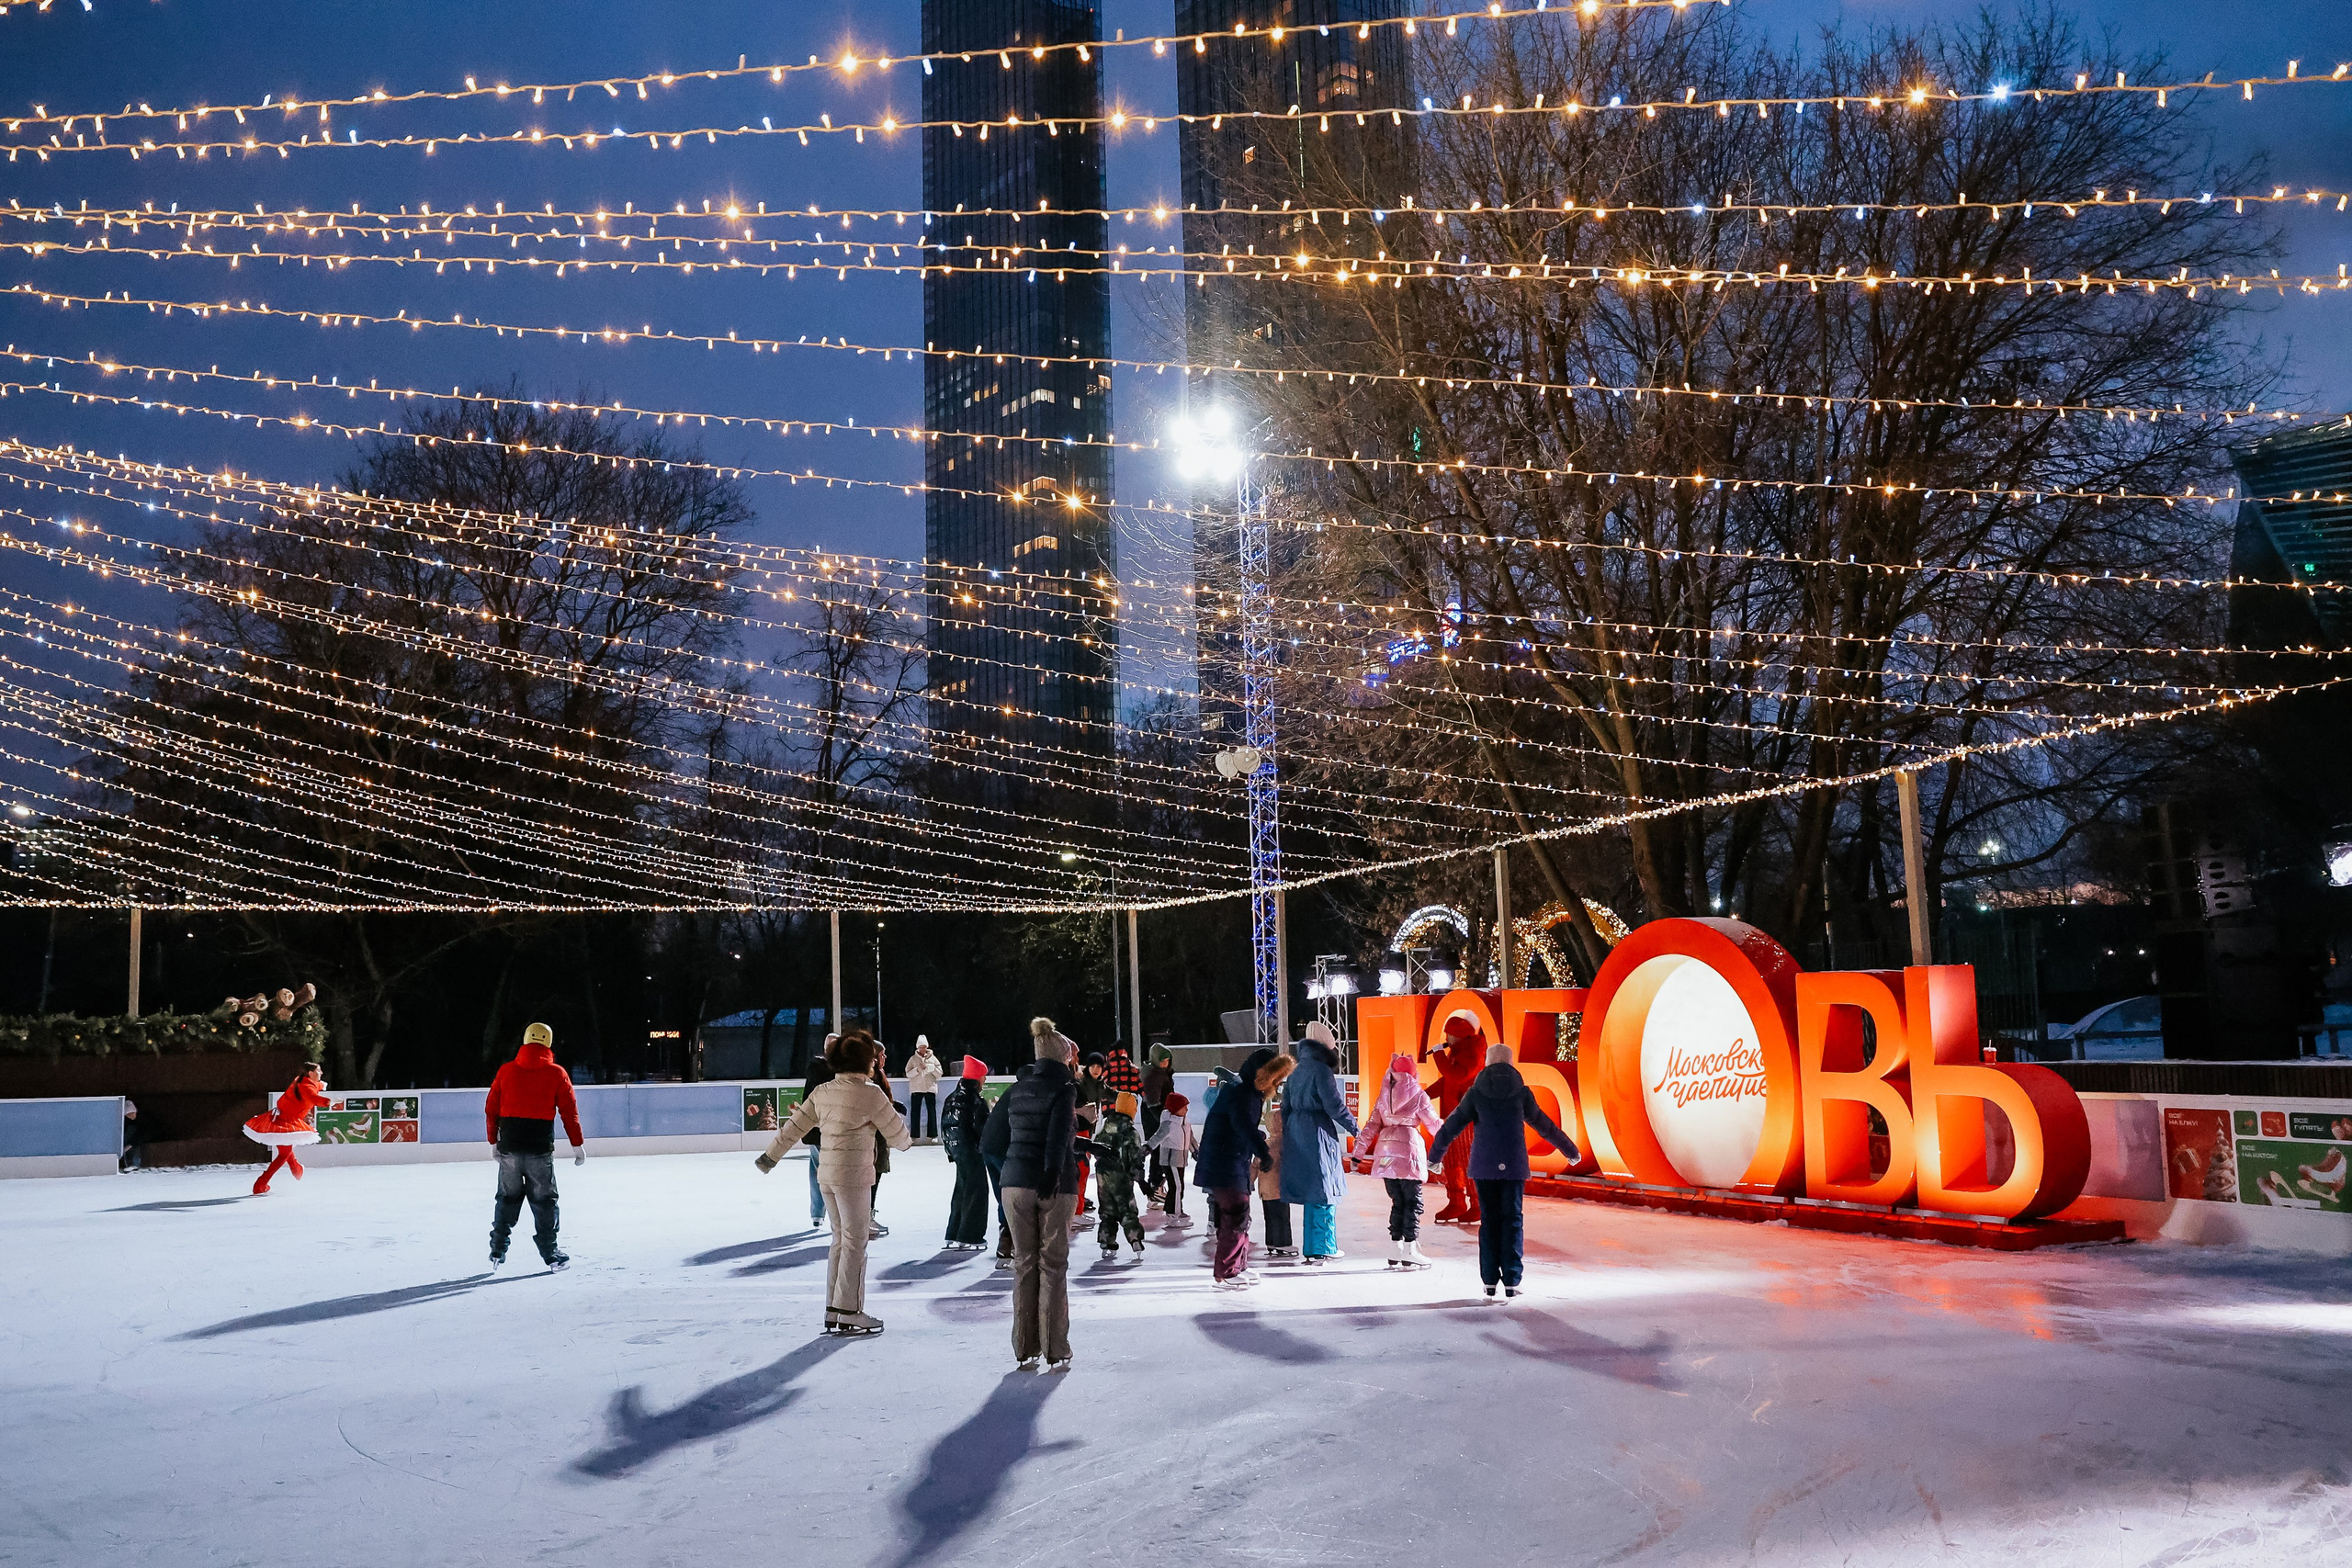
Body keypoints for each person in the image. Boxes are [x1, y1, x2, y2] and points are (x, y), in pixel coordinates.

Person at [756, 1033, 910, 1336]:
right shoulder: (871, 1093)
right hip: (853, 1177)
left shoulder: (824, 1091)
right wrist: (904, 1138)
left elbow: (793, 1127)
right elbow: (900, 1138)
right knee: (855, 1242)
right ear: (867, 1061)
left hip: (827, 1176)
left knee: (840, 1241)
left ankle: (834, 1308)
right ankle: (850, 1311)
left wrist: (769, 1158)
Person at [1427, 1043, 1580, 1300]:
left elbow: (1451, 1126)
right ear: (1510, 1063)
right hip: (1513, 1167)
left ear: (1487, 1063)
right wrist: (1570, 1150)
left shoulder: (1476, 1093)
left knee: (1489, 1222)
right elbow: (1545, 1126)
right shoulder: (1521, 1093)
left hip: (1483, 1168)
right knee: (1511, 1221)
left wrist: (1434, 1157)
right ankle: (1511, 1279)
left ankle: (1489, 1282)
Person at [981, 1021, 1082, 1371]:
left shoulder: (1019, 1088)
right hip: (1053, 1186)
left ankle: (1024, 1346)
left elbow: (1001, 1137)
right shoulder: (1065, 1087)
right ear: (1064, 1058)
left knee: (1024, 1263)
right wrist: (1053, 1171)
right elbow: (1056, 1134)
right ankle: (1056, 1347)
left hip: (1014, 1184)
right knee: (1052, 1265)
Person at [481, 1021, 585, 1269]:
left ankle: (497, 1251)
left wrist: (493, 1142)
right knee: (544, 1201)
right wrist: (577, 1145)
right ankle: (550, 1254)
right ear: (548, 1043)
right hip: (539, 1150)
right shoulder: (557, 1073)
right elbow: (569, 1112)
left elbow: (491, 1109)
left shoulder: (506, 1071)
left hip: (509, 1148)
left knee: (507, 1199)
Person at [1193, 1049, 1294, 1289]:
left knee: (1240, 1215)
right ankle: (1226, 1272)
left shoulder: (1244, 1091)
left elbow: (1237, 1125)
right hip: (1225, 1163)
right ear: (1264, 1074)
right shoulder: (1244, 1094)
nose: (1278, 1083)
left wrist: (1257, 1145)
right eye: (1276, 1077)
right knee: (1236, 1214)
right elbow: (1241, 1125)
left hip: (1229, 1161)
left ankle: (1237, 1266)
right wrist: (1262, 1151)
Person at [1281, 1021, 1358, 1264]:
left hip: (1296, 1130)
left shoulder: (1295, 1069)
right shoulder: (1322, 1070)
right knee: (1324, 1188)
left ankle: (1313, 1245)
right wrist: (1356, 1129)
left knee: (1310, 1190)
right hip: (1317, 1131)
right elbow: (1334, 1106)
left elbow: (1285, 1106)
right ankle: (1323, 1245)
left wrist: (1289, 1131)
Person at [1355, 1051, 1442, 1269]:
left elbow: (1370, 1126)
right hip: (1409, 1154)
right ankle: (1411, 1248)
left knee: (1398, 1202)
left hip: (1385, 1155)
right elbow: (1433, 1125)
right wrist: (1448, 1139)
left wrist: (1357, 1153)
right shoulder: (1419, 1095)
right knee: (1413, 1203)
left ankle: (1396, 1248)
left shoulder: (1384, 1095)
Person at [1422, 1015, 1487, 1224]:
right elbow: (1447, 1081)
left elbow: (1457, 1076)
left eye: (1450, 1034)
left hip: (1468, 1118)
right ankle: (1456, 1201)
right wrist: (1423, 1094)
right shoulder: (1457, 1053)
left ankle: (1477, 1204)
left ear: (1459, 1035)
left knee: (1468, 1160)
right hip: (1452, 1115)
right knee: (1451, 1160)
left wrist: (1439, 1055)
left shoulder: (1474, 1053)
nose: (1447, 1038)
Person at [243, 1061, 330, 1196]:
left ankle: (295, 1168)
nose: (322, 1073)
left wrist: (320, 1085)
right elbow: (314, 1097)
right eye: (319, 1071)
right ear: (311, 1073)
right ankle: (261, 1183)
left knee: (286, 1149)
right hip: (284, 1121)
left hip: (281, 1118)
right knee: (284, 1153)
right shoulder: (305, 1086)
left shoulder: (302, 1080)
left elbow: (313, 1087)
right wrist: (329, 1101)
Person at [1084, 1091, 1148, 1262]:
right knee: (1127, 1209)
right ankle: (1135, 1239)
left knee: (1107, 1209)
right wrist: (1140, 1178)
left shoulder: (1105, 1128)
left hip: (1102, 1176)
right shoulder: (1131, 1132)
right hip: (1121, 1177)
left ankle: (1106, 1241)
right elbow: (1135, 1157)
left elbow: (1095, 1147)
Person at [942, 1055, 993, 1248]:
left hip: (957, 1150)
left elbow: (945, 1126)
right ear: (977, 1077)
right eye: (984, 1076)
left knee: (962, 1191)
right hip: (972, 1150)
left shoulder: (951, 1098)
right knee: (977, 1191)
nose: (985, 1080)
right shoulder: (975, 1100)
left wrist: (950, 1150)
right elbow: (982, 1128)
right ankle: (970, 1235)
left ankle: (953, 1232)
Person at [800, 1037, 839, 1229]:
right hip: (829, 1129)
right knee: (834, 1173)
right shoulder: (835, 1072)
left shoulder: (815, 1070)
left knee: (817, 1170)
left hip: (816, 1129)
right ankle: (832, 1214)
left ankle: (818, 1213)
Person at [861, 1040, 895, 1239]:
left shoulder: (877, 1076)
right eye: (882, 1054)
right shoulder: (871, 1078)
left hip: (878, 1138)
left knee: (875, 1177)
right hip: (874, 1138)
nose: (885, 1058)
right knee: (872, 1178)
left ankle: (868, 1216)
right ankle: (866, 1219)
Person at [1256, 1090, 1295, 1258]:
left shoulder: (1265, 1143)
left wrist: (1249, 1181)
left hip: (1264, 1190)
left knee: (1270, 1218)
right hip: (1279, 1188)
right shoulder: (1284, 1142)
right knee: (1281, 1217)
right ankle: (1284, 1243)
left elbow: (1255, 1164)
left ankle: (1271, 1242)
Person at [1148, 1091, 1197, 1221]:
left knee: (1179, 1186)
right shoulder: (1169, 1124)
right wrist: (1147, 1148)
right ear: (1175, 1108)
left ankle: (1175, 1210)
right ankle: (1174, 1214)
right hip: (1171, 1161)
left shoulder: (1185, 1123)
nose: (1187, 1109)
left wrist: (1196, 1151)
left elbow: (1191, 1139)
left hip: (1181, 1159)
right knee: (1176, 1187)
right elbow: (1157, 1137)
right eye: (1184, 1106)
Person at [1139, 1044, 1175, 1203]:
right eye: (1162, 1060)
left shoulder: (1161, 1074)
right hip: (1155, 1117)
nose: (1165, 1063)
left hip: (1158, 1115)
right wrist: (1164, 1119)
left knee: (1159, 1150)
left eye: (1167, 1060)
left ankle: (1156, 1186)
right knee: (1158, 1149)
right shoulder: (1154, 1076)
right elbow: (1153, 1102)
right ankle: (1155, 1187)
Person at [906, 1036, 944, 1145]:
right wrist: (917, 1070)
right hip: (916, 1088)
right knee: (915, 1112)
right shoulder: (913, 1059)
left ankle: (933, 1134)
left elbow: (939, 1073)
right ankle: (914, 1135)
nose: (923, 1049)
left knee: (932, 1112)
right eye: (921, 1047)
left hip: (930, 1088)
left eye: (924, 1047)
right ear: (918, 1047)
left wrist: (930, 1067)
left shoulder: (933, 1058)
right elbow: (908, 1073)